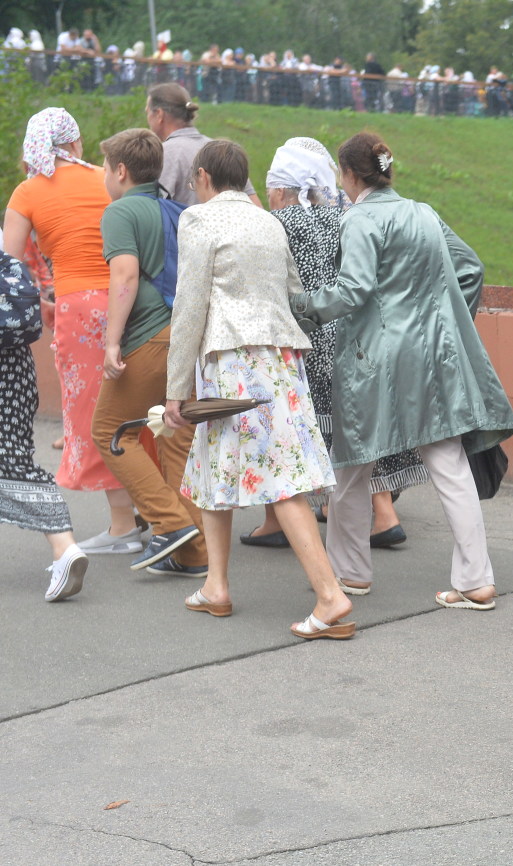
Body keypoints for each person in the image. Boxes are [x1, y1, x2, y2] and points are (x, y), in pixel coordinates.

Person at [290, 132, 513, 607]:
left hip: (372, 359)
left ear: (350, 174)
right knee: (449, 465)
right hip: (433, 354)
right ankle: (477, 580)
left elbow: (352, 291)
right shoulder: (423, 213)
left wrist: (303, 307)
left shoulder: (358, 221)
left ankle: (351, 573)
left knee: (352, 468)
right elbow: (470, 269)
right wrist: (447, 320)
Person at [164, 139, 352, 639]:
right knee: (213, 466)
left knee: (279, 476)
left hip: (230, 360)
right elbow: (291, 291)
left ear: (203, 177)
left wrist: (174, 389)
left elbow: (188, 307)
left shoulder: (198, 220)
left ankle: (331, 596)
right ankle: (216, 586)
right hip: (281, 359)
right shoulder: (268, 221)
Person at [243, 136, 431, 550]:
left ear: (281, 189)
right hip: (350, 337)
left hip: (307, 338)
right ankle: (383, 514)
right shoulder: (344, 215)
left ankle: (279, 521)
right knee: (354, 434)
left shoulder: (279, 224)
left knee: (291, 432)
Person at [3, 107, 140, 555]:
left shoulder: (27, 192)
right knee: (136, 404)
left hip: (78, 307)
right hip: (132, 298)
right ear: (75, 142)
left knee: (94, 414)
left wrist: (42, 301)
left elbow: (9, 265)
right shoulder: (105, 179)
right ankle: (156, 511)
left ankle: (122, 526)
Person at [93, 128, 209, 578]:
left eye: (105, 167)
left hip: (147, 336)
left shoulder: (121, 211)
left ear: (120, 171)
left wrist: (111, 342)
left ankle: (169, 522)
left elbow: (124, 276)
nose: (104, 175)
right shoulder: (176, 211)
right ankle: (194, 555)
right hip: (185, 337)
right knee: (176, 439)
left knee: (109, 430)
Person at [0, 247, 88, 600]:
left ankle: (64, 547)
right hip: (17, 374)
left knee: (13, 467)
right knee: (15, 458)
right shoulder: (8, 263)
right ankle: (64, 548)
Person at [145, 83, 260, 207]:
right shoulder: (224, 152)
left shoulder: (163, 154)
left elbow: (151, 211)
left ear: (159, 114)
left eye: (147, 112)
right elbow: (256, 207)